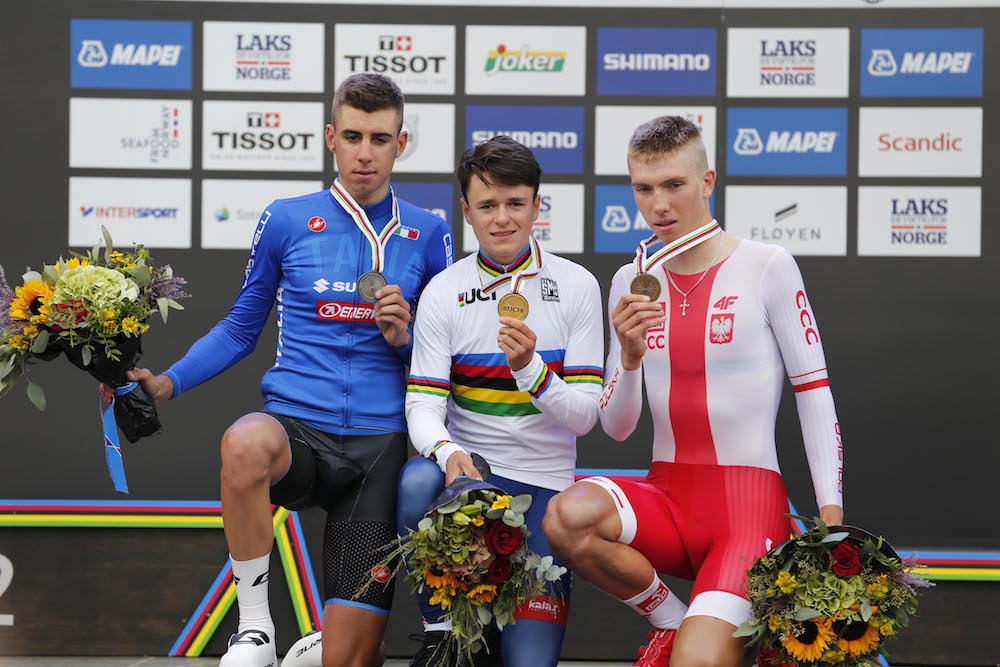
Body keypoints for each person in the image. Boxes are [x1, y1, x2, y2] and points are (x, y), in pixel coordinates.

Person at [100, 73, 453, 667]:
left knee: (352, 659)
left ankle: (332, 643)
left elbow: (444, 360)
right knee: (243, 442)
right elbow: (241, 328)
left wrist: (403, 340)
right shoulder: (286, 219)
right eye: (352, 136)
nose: (365, 153)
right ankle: (255, 627)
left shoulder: (430, 232)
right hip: (298, 432)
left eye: (380, 139)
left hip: (381, 448)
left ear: (401, 143)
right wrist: (165, 384)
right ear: (330, 137)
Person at [541, 116, 844, 667]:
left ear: (707, 182)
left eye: (673, 185)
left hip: (747, 512)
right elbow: (618, 428)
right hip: (669, 500)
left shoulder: (767, 266)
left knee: (697, 663)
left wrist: (831, 514)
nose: (658, 206)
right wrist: (629, 358)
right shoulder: (630, 281)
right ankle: (671, 619)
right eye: (643, 189)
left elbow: (814, 392)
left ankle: (700, 636)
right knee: (566, 515)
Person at [397, 136, 605, 667]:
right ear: (466, 211)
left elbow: (585, 417)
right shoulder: (444, 291)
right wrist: (448, 453)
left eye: (516, 203)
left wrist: (531, 370)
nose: (503, 218)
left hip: (546, 494)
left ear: (537, 205)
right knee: (418, 480)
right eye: (487, 205)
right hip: (474, 485)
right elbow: (422, 406)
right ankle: (442, 632)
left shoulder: (577, 286)